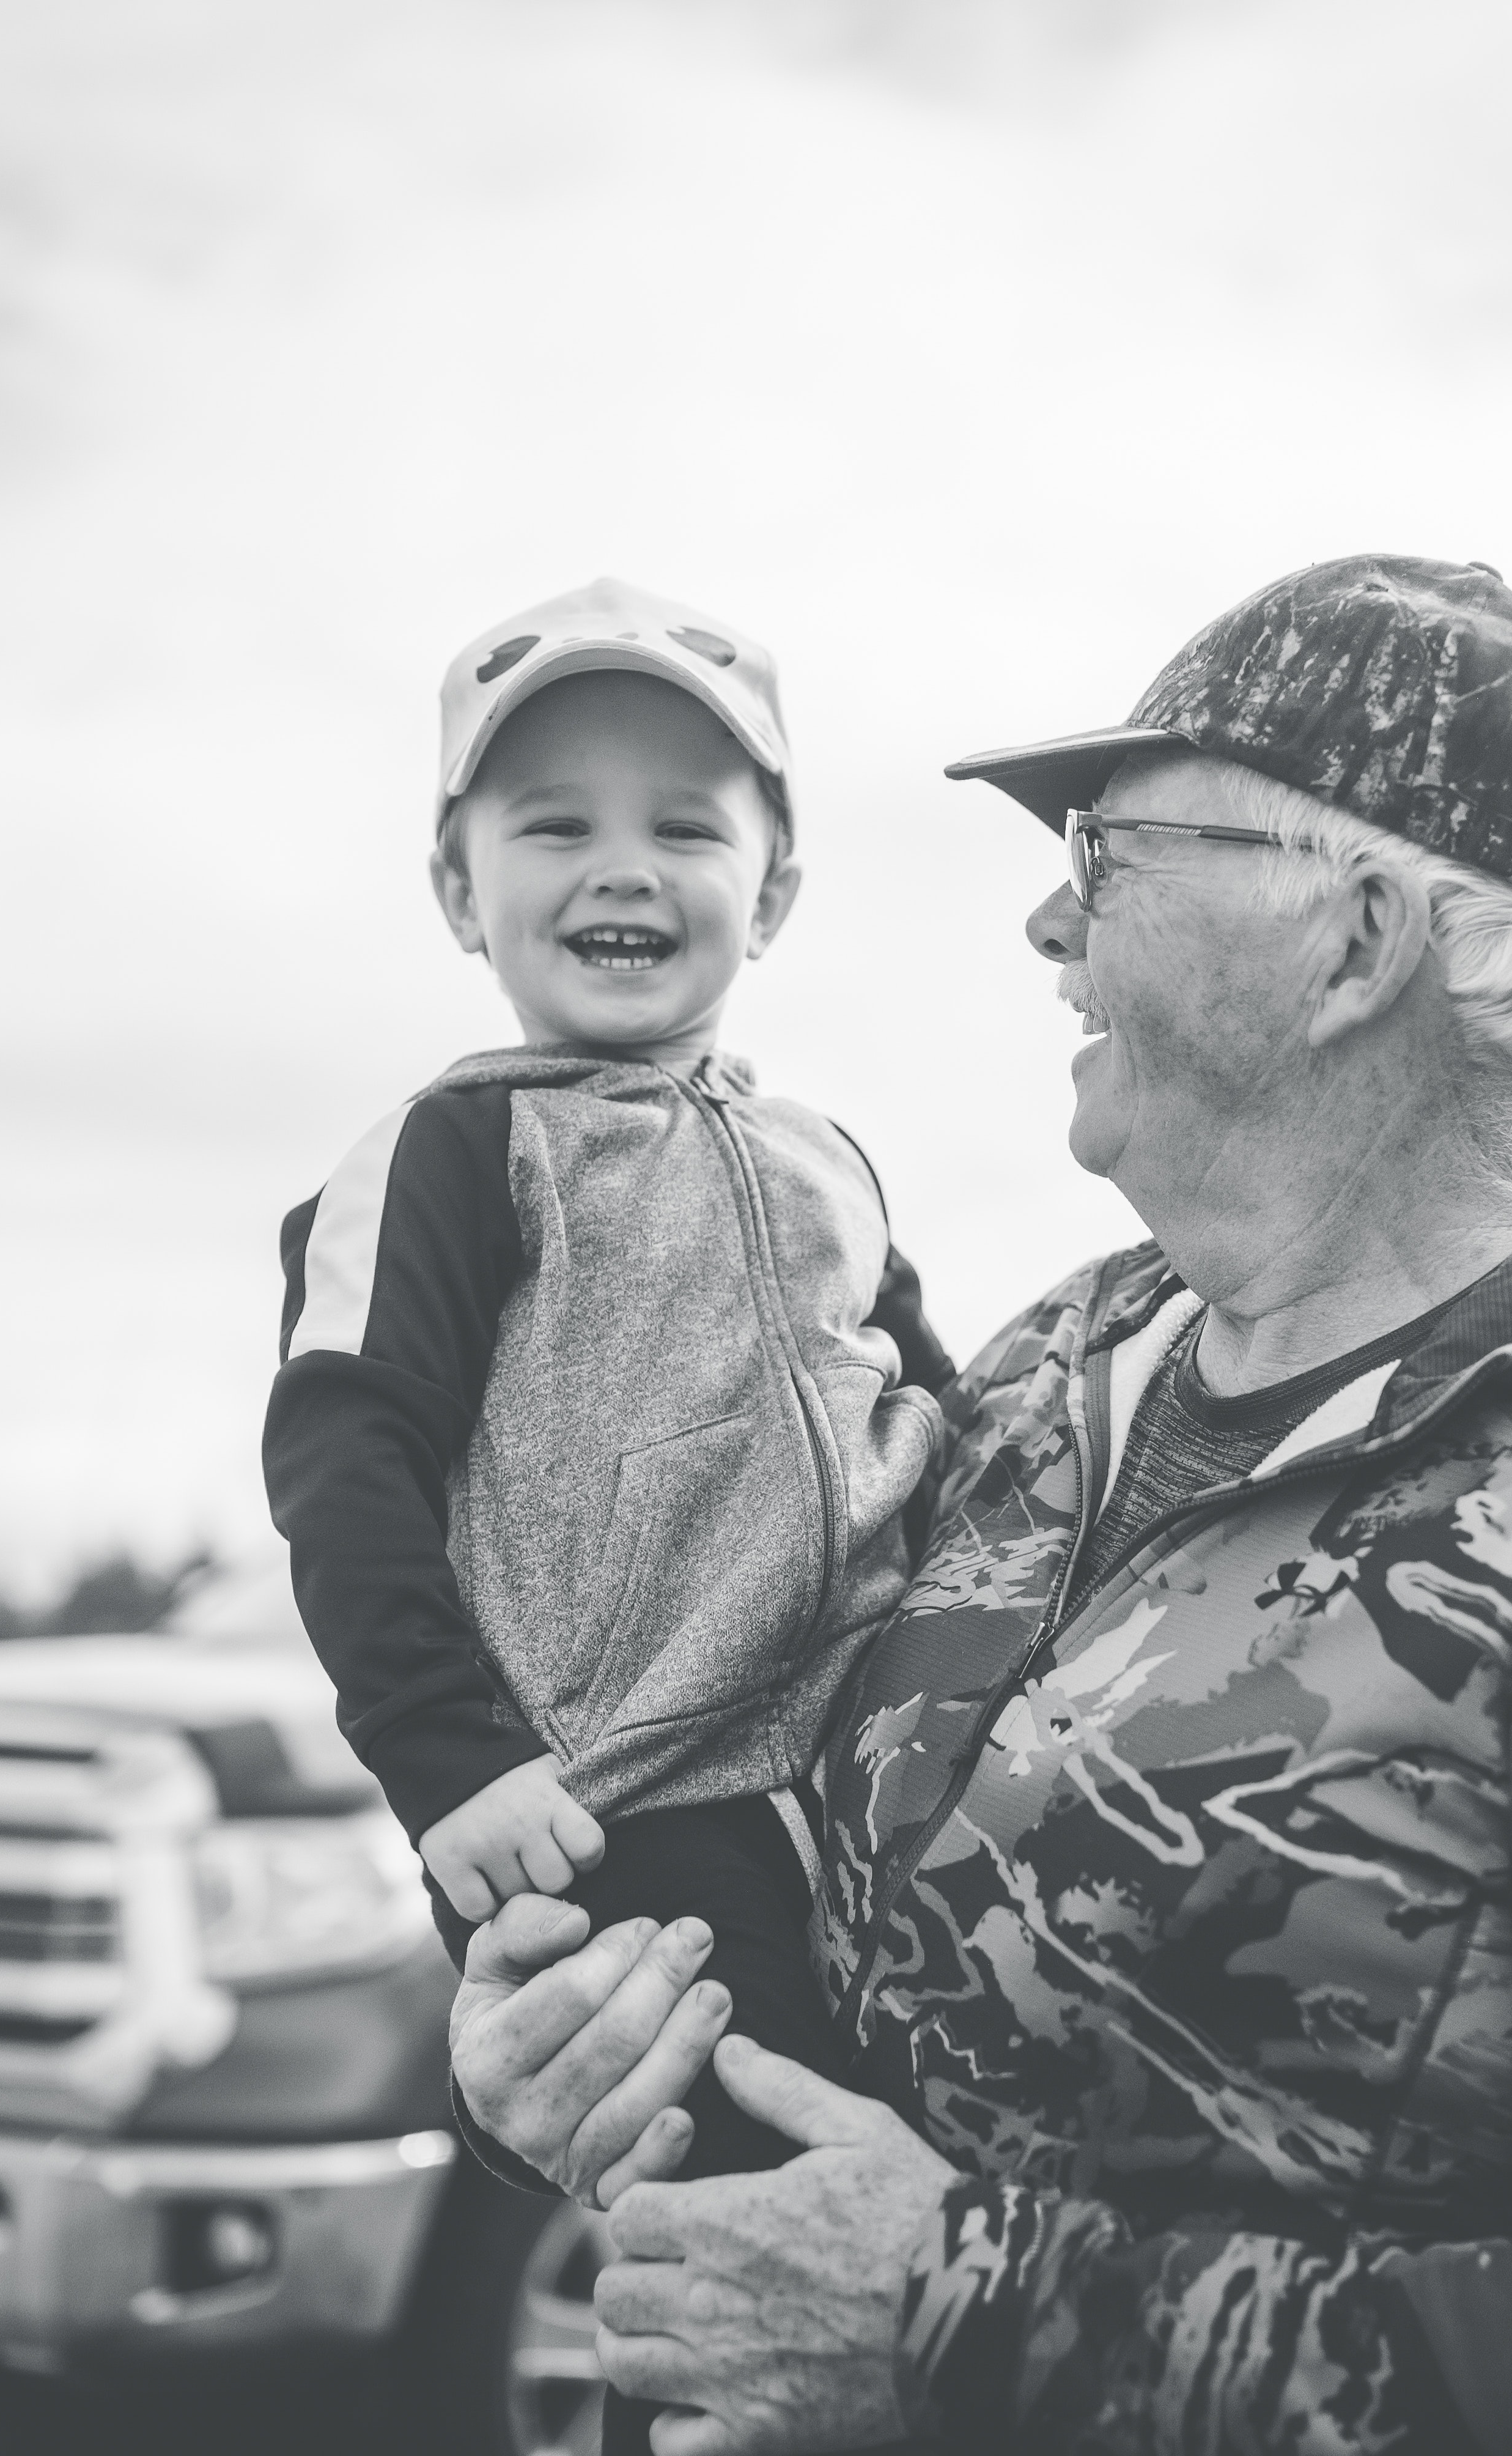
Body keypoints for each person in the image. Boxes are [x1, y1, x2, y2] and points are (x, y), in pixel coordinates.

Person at [449, 555, 1512, 2455]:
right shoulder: (1043, 1373)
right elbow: (804, 1909)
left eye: (1117, 855)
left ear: (1356, 944)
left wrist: (955, 2314)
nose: (1046, 920)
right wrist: (579, 2066)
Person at [261, 576, 951, 2196]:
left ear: (771, 889)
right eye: (556, 825)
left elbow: (940, 1401)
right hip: (612, 1815)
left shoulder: (828, 1163)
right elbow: (342, 1454)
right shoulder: (449, 1155)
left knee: (908, 2205)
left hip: (867, 1781)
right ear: (458, 886)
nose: (625, 867)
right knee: (742, 2236)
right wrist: (446, 1758)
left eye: (688, 831)